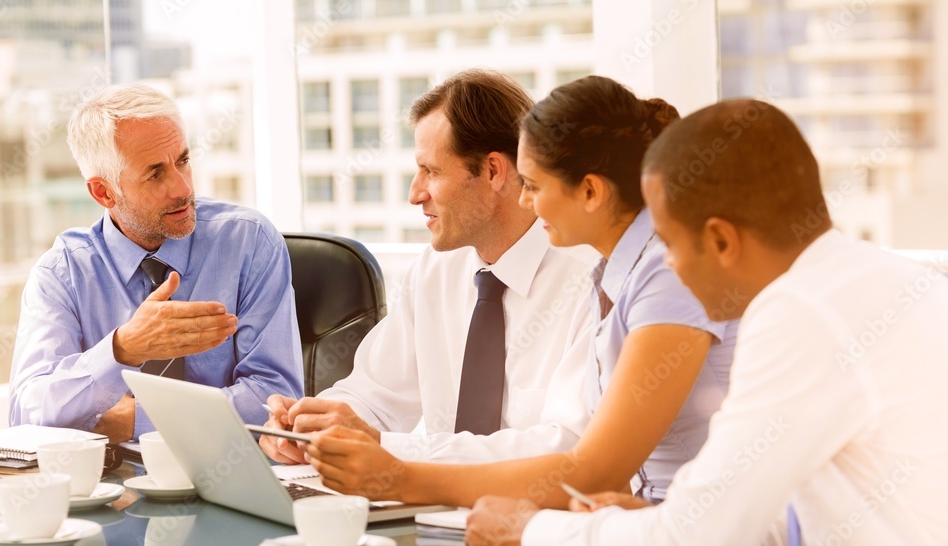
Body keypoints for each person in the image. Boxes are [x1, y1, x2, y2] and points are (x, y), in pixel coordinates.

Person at [465, 99, 948, 546]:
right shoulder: (886, 282)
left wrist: (530, 533)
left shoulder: (797, 313)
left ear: (720, 240)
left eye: (669, 244)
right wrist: (659, 521)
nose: (667, 267)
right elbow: (812, 531)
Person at [300, 76, 737, 508]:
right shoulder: (614, 270)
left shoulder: (653, 273)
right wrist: (321, 433)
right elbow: (609, 479)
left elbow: (587, 466)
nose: (525, 202)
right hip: (639, 517)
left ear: (589, 191)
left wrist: (402, 475)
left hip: (690, 529)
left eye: (533, 185)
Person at [259, 69, 596, 466]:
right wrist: (310, 426)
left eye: (431, 172)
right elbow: (372, 396)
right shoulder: (436, 269)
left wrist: (384, 448)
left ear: (492, 171)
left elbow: (569, 447)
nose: (414, 194)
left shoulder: (591, 280)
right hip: (435, 510)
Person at [10, 84, 303, 443]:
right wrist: (122, 349)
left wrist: (140, 421)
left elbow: (276, 398)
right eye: (155, 173)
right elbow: (27, 413)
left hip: (230, 476)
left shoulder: (249, 242)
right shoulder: (62, 274)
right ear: (103, 192)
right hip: (107, 488)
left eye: (182, 160)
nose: (181, 188)